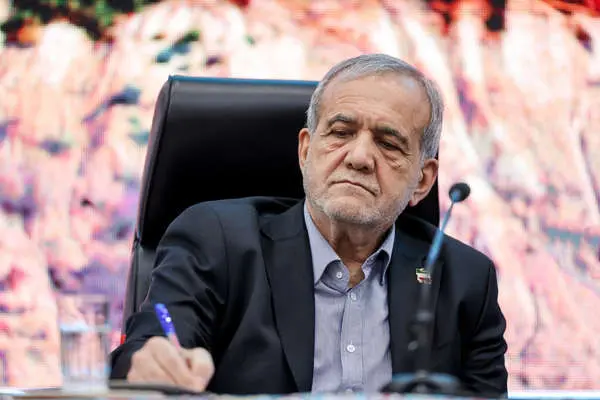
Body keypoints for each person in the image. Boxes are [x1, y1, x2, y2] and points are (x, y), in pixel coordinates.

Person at [110, 53, 508, 396]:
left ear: (422, 180)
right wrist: (150, 361)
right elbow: (147, 348)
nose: (359, 158)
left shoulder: (465, 280)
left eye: (388, 144)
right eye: (341, 132)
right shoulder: (216, 241)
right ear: (305, 150)